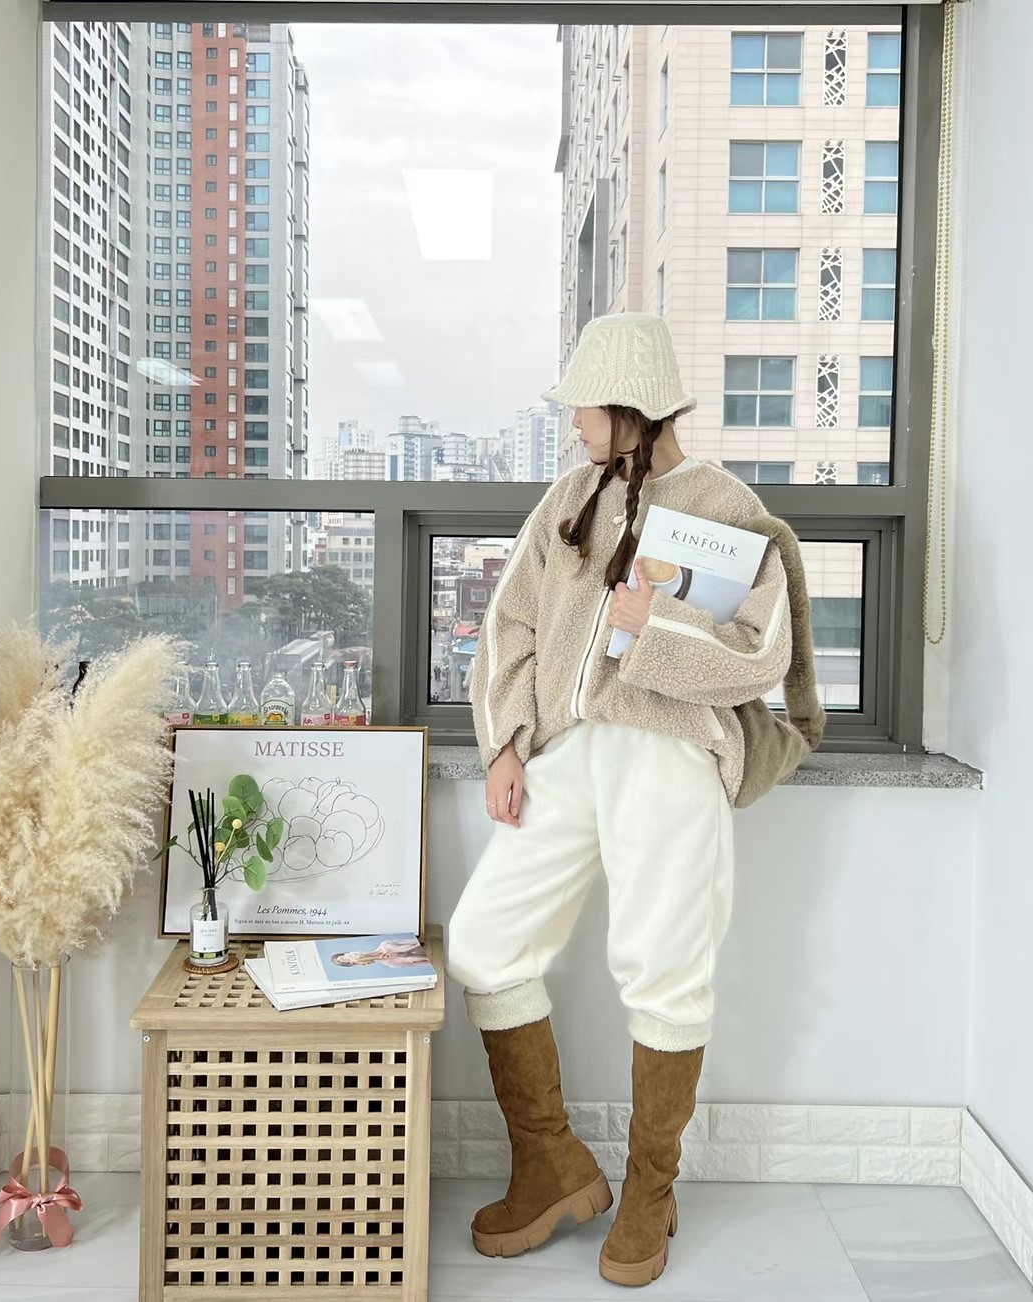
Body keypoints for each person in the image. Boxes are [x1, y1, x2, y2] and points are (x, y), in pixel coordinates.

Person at [446, 312, 820, 1288]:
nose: (573, 421)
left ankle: (651, 1189)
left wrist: (658, 625)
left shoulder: (725, 505)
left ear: (632, 407)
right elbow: (511, 625)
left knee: (663, 970)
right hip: (566, 754)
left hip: (668, 759)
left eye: (585, 406)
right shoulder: (568, 498)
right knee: (484, 941)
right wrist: (505, 745)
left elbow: (764, 652)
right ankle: (551, 1162)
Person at [331, 938, 430, 968]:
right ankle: (426, 959)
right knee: (409, 960)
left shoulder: (352, 955)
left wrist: (380, 955)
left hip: (380, 952)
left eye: (341, 957)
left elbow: (367, 955)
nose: (343, 959)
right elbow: (369, 961)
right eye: (341, 961)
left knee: (401, 950)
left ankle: (417, 946)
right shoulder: (354, 962)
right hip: (382, 958)